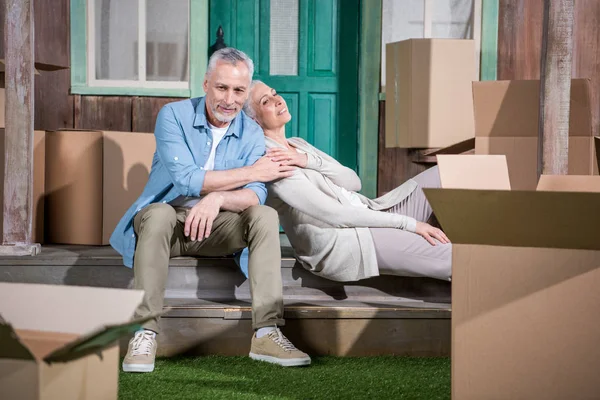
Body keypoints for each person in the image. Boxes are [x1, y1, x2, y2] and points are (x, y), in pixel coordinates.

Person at [111, 49, 311, 373]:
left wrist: (217, 199)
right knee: (159, 213)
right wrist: (251, 172)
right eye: (221, 88)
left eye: (238, 91)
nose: (229, 99)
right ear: (206, 83)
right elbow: (187, 179)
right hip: (168, 226)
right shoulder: (172, 116)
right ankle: (144, 332)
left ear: (245, 93)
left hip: (219, 227)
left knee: (265, 216)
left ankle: (266, 332)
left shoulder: (251, 132)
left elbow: (256, 195)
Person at [242, 80, 452, 283]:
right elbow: (336, 215)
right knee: (457, 257)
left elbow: (353, 182)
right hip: (348, 241)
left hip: (370, 212)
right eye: (265, 101)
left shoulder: (297, 145)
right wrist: (411, 225)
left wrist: (307, 160)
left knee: (448, 172)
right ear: (254, 121)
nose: (278, 100)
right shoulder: (273, 163)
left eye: (274, 92)